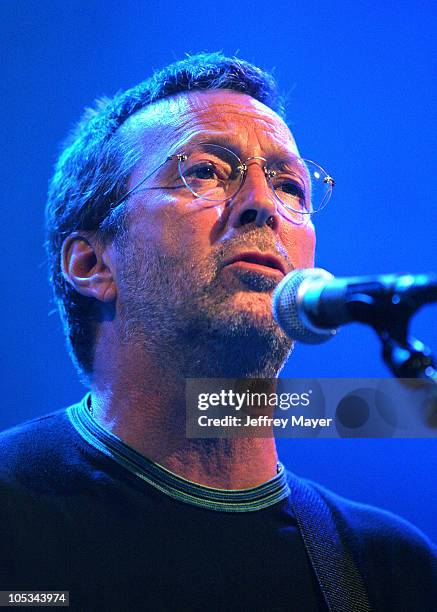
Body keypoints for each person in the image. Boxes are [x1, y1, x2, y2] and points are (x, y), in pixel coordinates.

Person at [0, 52, 435, 611]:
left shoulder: (389, 568)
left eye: (290, 187)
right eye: (205, 170)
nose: (263, 206)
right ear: (93, 265)